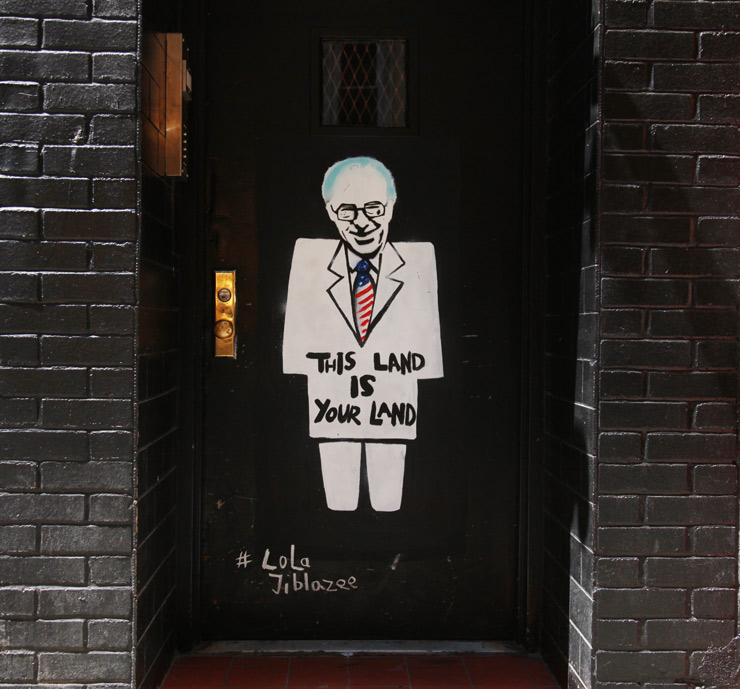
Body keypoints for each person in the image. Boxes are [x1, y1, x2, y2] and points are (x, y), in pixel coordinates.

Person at [283, 156, 443, 511]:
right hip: (332, 402)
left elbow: (427, 354)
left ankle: (387, 528)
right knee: (338, 501)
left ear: (391, 207)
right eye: (347, 211)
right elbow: (296, 350)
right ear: (330, 212)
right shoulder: (310, 263)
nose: (361, 222)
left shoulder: (417, 264)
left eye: (374, 208)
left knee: (389, 501)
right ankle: (337, 526)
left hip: (393, 402)